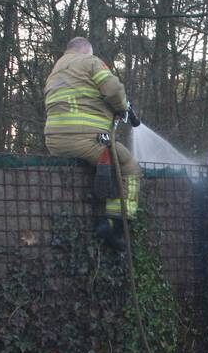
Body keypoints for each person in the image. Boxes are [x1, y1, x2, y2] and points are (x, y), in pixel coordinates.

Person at [44, 37, 141, 252]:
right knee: (129, 167)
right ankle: (115, 224)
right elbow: (114, 91)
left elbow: (81, 99)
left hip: (55, 144)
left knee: (109, 157)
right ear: (86, 50)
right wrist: (123, 107)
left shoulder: (55, 73)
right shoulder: (90, 62)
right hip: (85, 140)